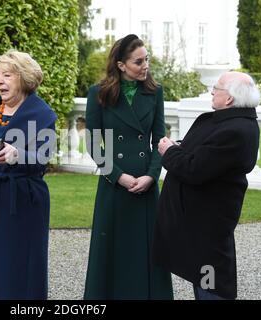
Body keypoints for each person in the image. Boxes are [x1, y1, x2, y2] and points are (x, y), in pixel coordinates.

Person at [152, 71, 261, 300]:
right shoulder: (222, 121)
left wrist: (168, 151)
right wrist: (178, 147)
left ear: (229, 98)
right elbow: (198, 152)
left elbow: (195, 169)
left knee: (210, 281)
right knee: (200, 273)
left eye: (217, 88)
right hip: (197, 223)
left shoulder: (236, 130)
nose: (212, 91)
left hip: (208, 224)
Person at [84, 34, 173, 299]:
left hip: (145, 184)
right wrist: (118, 176)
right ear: (121, 65)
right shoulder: (98, 93)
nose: (145, 66)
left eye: (147, 59)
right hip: (114, 184)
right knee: (111, 249)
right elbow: (92, 143)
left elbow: (160, 140)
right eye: (138, 62)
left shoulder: (154, 91)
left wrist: (151, 176)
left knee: (146, 251)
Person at [0, 50, 57, 300]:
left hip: (24, 200)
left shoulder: (42, 114)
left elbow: (44, 156)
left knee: (20, 263)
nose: (0, 81)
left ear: (24, 78)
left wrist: (19, 155)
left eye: (7, 75)